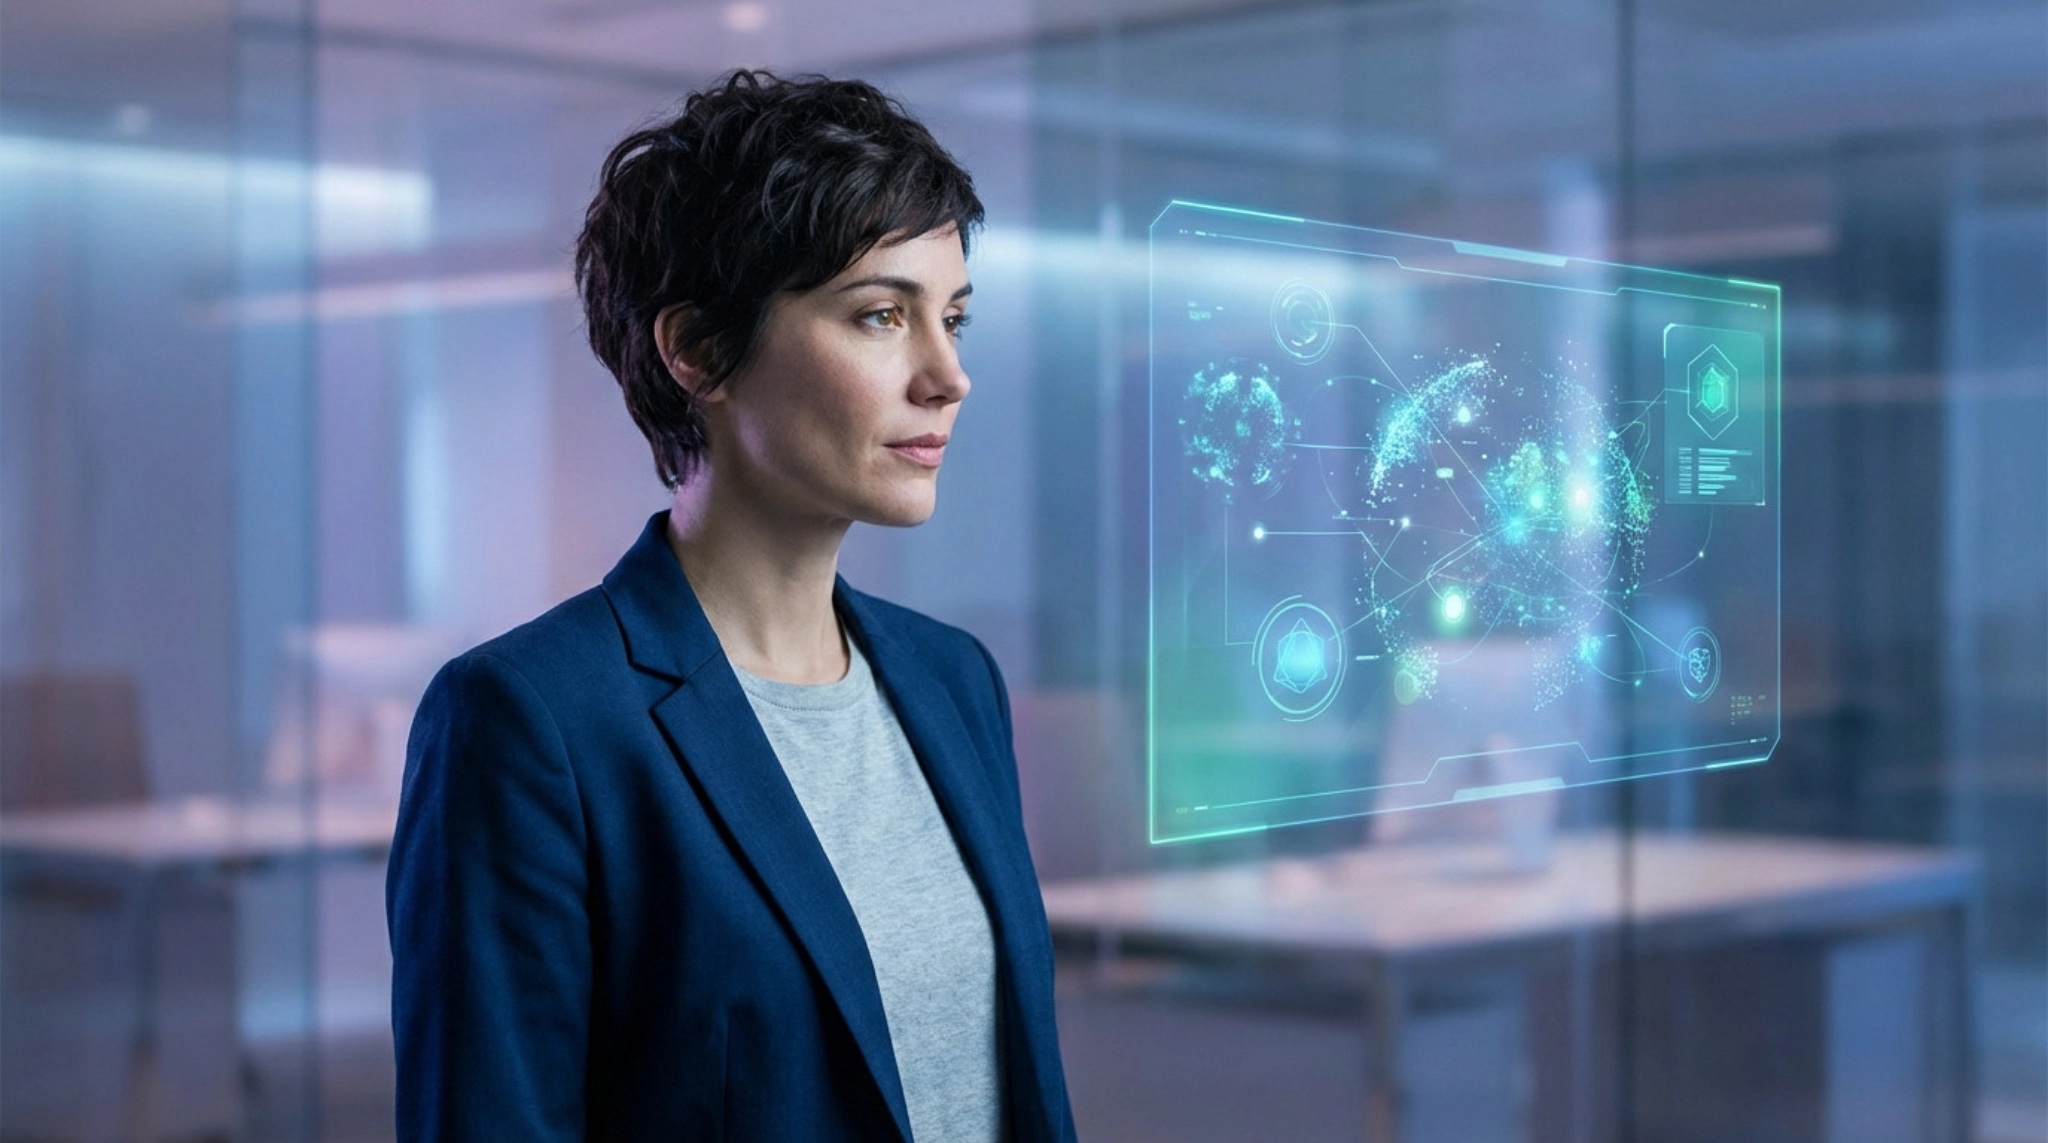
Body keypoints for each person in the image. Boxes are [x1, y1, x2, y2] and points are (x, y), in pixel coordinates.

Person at [385, 70, 1077, 1142]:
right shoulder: (531, 722)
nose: (947, 376)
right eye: (882, 316)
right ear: (699, 350)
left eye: (954, 318)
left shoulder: (954, 680)